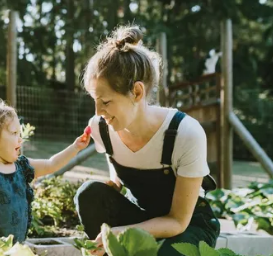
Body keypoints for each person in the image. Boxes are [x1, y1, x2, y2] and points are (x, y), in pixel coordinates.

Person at [74, 25, 220, 256]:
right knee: (89, 193)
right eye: (95, 100)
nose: (98, 110)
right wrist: (114, 184)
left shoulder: (185, 133)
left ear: (137, 92)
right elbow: (117, 164)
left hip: (186, 226)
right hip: (141, 215)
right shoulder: (101, 126)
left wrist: (122, 233)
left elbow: (178, 221)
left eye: (106, 101)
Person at [0, 96, 90, 243]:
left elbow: (51, 164)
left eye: (20, 133)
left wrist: (75, 147)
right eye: (14, 133)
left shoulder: (22, 167)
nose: (20, 139)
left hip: (17, 244)